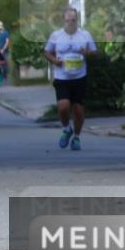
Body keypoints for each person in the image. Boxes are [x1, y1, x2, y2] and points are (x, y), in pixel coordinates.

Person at [43, 8, 98, 150]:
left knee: (78, 109)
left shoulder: (85, 35)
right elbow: (47, 52)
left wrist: (87, 53)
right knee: (63, 106)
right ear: (64, 21)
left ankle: (77, 137)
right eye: (68, 20)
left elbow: (95, 52)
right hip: (62, 77)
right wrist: (55, 61)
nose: (70, 23)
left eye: (73, 20)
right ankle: (67, 128)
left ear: (77, 20)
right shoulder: (56, 35)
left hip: (79, 77)